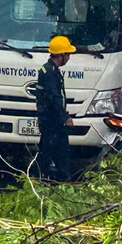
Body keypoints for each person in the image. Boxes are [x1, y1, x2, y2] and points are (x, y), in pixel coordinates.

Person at [35, 35, 77, 182]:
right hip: (52, 121)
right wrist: (65, 117)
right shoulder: (50, 73)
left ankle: (50, 180)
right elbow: (54, 98)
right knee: (55, 154)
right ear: (61, 55)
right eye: (68, 55)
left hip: (52, 120)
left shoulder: (51, 70)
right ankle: (52, 181)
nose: (69, 58)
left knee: (52, 153)